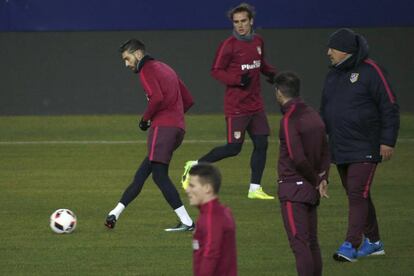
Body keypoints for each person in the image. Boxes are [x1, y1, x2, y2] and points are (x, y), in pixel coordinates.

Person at [182, 3, 277, 200]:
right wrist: (237, 80)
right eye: (236, 22)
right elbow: (216, 70)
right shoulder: (229, 45)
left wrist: (273, 74)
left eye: (243, 21)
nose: (240, 25)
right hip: (237, 107)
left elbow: (261, 64)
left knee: (262, 144)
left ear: (251, 21)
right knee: (234, 148)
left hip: (256, 105)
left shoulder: (258, 41)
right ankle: (195, 164)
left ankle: (254, 188)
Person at [320, 28, 400, 262]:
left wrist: (387, 140)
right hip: (341, 146)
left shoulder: (371, 70)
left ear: (345, 50)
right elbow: (325, 110)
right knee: (359, 195)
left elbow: (389, 105)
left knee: (357, 194)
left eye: (332, 48)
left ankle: (350, 245)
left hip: (366, 146)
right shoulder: (333, 74)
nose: (328, 53)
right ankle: (374, 243)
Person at [104, 39, 195, 232]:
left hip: (163, 129)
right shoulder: (166, 68)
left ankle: (187, 222)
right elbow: (188, 100)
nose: (126, 64)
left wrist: (145, 120)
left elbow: (157, 98)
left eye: (127, 59)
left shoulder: (147, 70)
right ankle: (115, 213)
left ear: (138, 54)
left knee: (159, 176)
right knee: (143, 173)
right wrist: (174, 117)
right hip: (177, 129)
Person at [275, 72, 330, 276]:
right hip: (310, 189)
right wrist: (322, 178)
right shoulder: (313, 114)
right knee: (312, 242)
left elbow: (297, 158)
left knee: (300, 245)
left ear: (279, 93)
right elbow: (326, 149)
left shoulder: (289, 120)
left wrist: (317, 180)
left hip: (293, 190)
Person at [186, 163, 237, 276]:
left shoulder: (211, 218)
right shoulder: (223, 212)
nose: (187, 190)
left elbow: (210, 255)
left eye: (192, 185)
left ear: (207, 188)